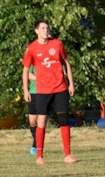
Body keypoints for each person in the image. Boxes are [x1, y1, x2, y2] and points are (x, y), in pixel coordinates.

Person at [22, 19, 76, 165]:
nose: (46, 30)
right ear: (36, 31)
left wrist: (71, 83)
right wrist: (26, 90)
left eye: (47, 28)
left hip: (60, 88)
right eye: (43, 28)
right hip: (42, 90)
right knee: (41, 121)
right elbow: (26, 69)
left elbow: (66, 63)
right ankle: (39, 155)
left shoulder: (57, 44)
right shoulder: (32, 48)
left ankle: (68, 154)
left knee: (63, 120)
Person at [25, 65, 38, 155]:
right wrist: (39, 79)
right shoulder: (32, 60)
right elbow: (27, 74)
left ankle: (35, 145)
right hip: (33, 92)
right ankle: (38, 140)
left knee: (41, 120)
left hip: (45, 92)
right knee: (32, 121)